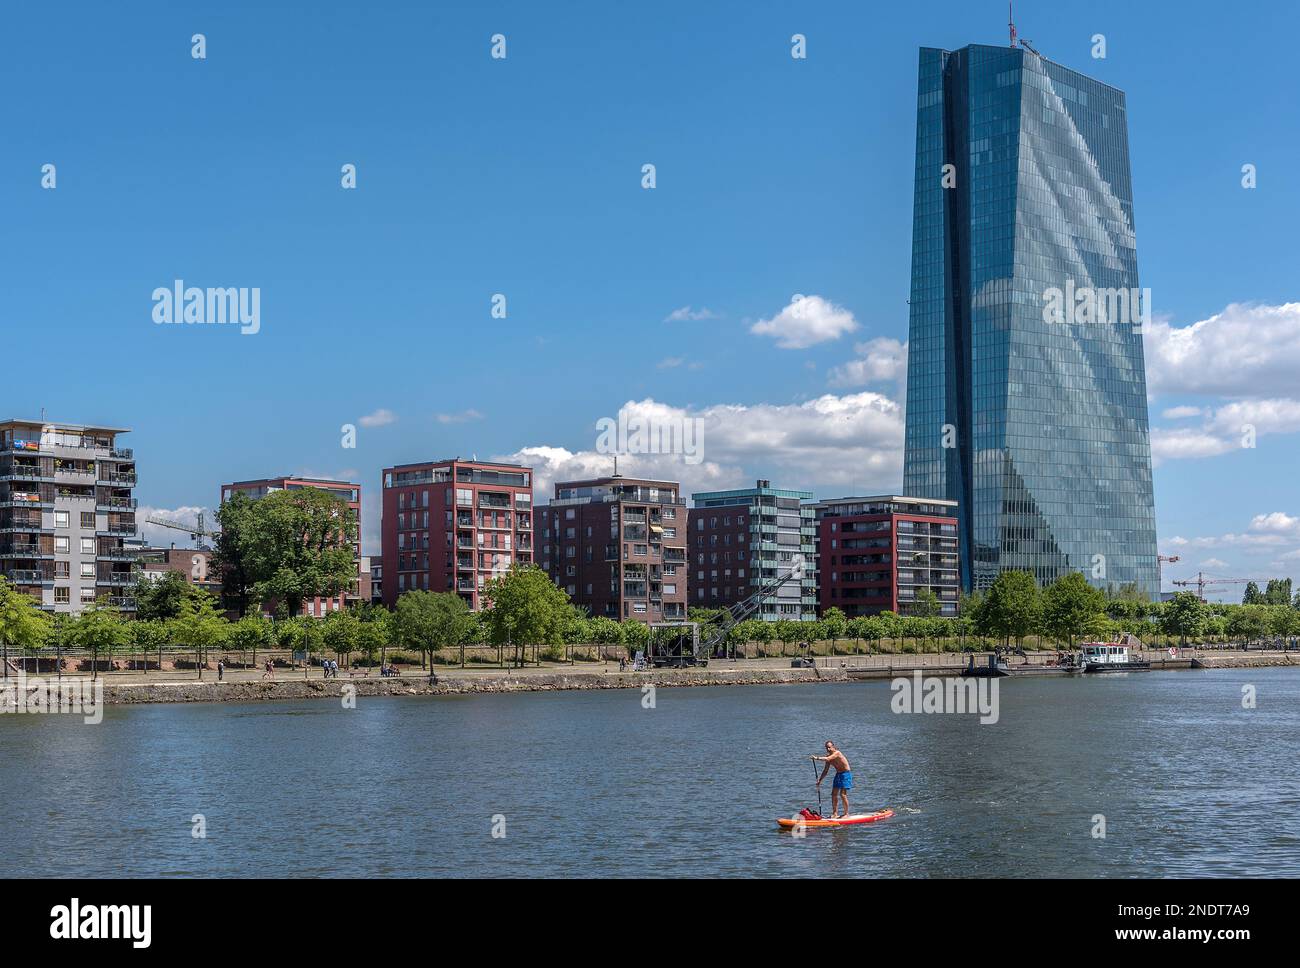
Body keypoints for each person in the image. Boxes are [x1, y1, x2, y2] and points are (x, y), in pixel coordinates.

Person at [811, 741, 853, 819]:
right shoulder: (828, 757)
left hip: (845, 774)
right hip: (838, 774)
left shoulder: (837, 753)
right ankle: (835, 813)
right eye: (826, 747)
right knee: (833, 794)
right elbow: (825, 770)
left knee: (842, 794)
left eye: (829, 747)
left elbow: (828, 758)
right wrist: (820, 780)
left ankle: (846, 814)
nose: (828, 749)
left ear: (833, 747)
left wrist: (817, 758)